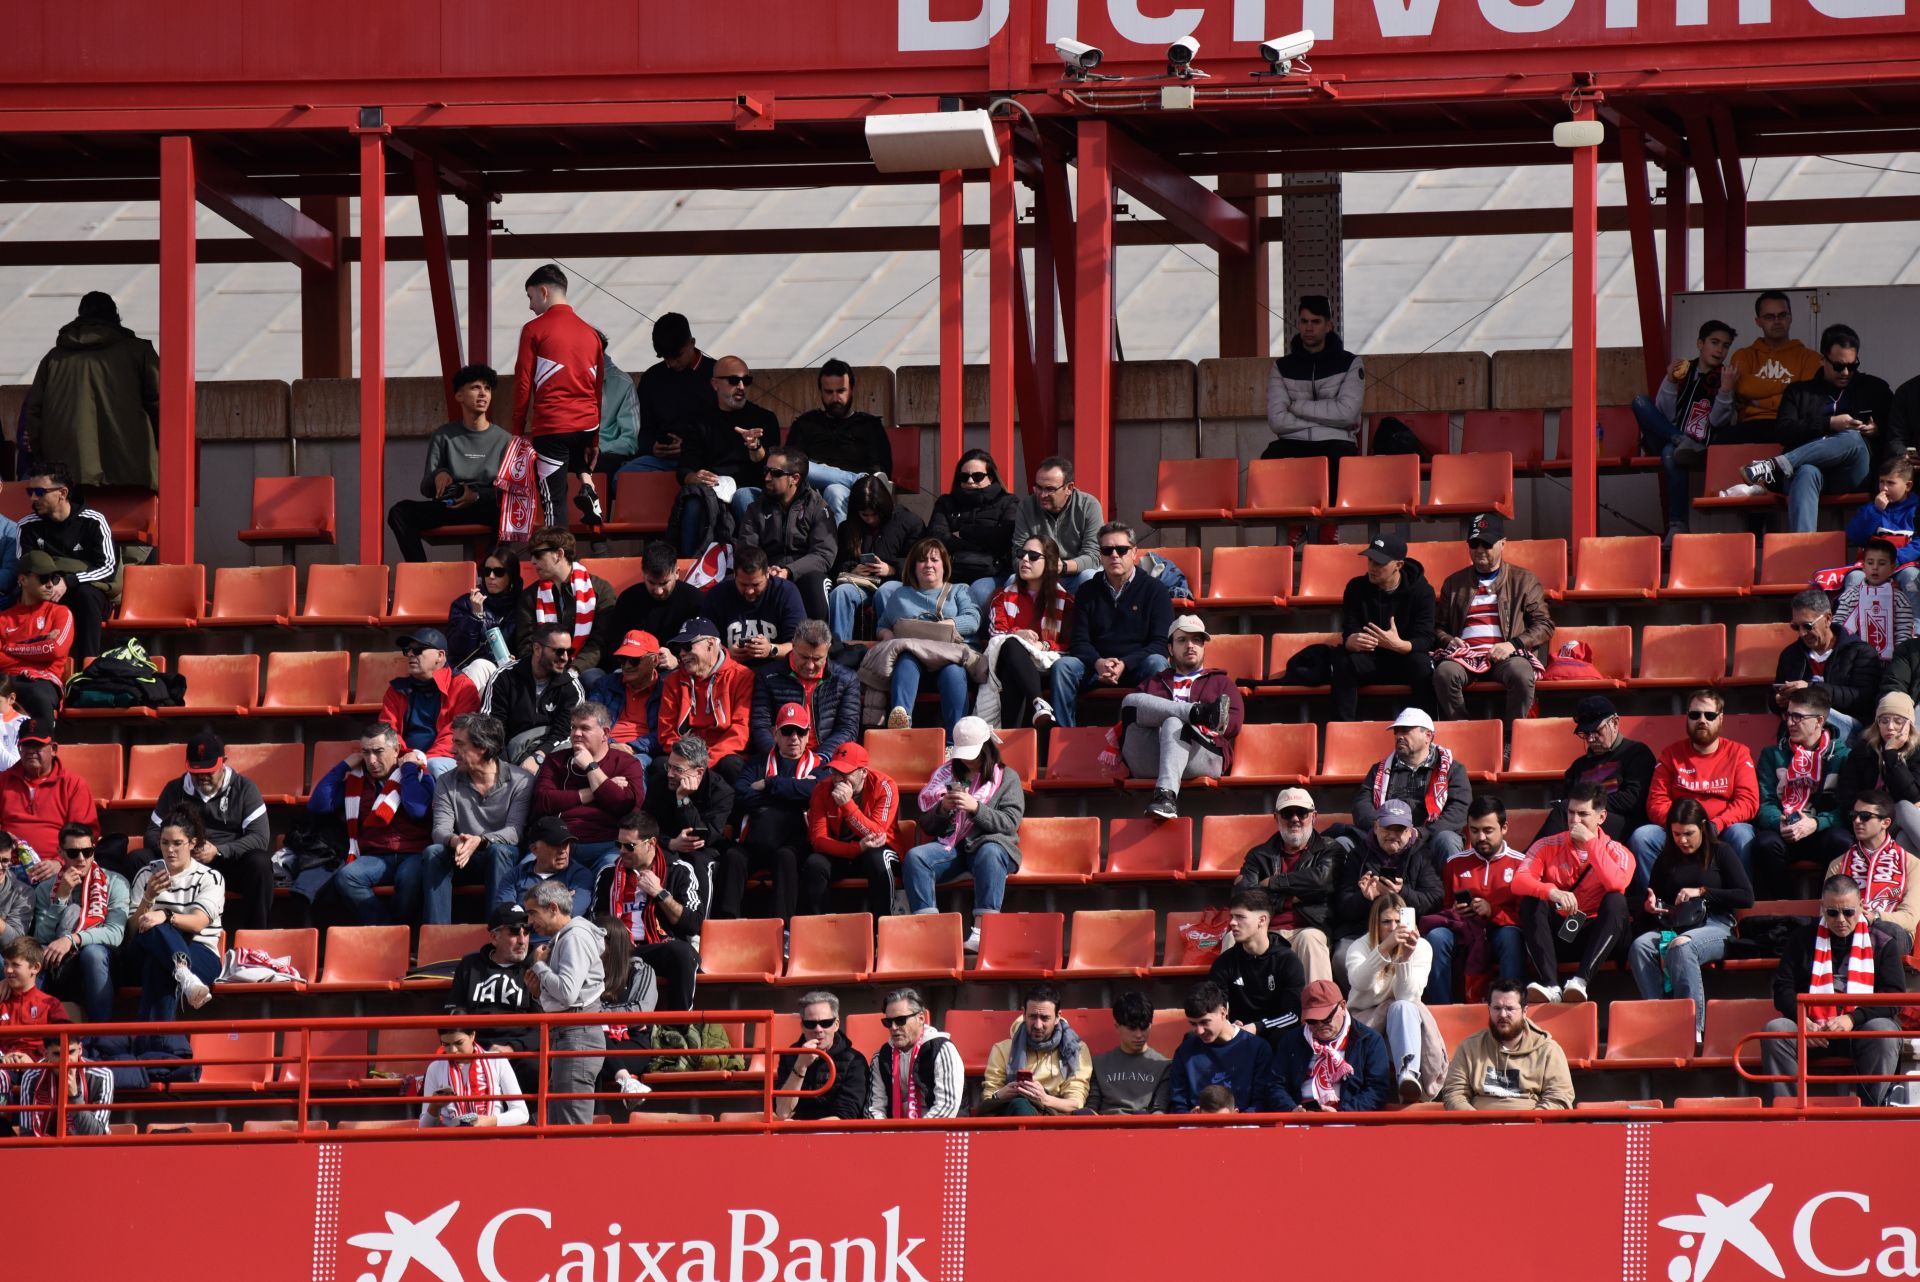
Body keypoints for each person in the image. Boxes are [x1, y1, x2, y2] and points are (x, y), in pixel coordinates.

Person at [1761, 873, 1906, 1106]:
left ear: (1860, 907)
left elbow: (1895, 998)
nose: (1841, 919)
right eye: (1832, 912)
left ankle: (1873, 1113)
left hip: (1859, 1030)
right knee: (1776, 1029)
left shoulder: (1883, 942)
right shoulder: (1801, 939)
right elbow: (1782, 989)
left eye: (1848, 912)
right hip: (1812, 1030)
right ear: (1822, 908)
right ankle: (1788, 1111)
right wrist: (1802, 1020)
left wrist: (1852, 1018)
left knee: (1883, 1031)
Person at [1627, 798, 1756, 1044]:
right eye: (1676, 834)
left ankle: (1691, 1028)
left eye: (1688, 833)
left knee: (1683, 945)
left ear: (1703, 827)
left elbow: (1746, 896)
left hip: (1716, 925)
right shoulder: (1666, 859)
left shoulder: (1721, 852)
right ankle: (1660, 1017)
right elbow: (1657, 899)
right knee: (1640, 946)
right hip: (1677, 924)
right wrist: (1650, 907)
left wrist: (1703, 891)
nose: (1682, 840)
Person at [1745, 324, 1896, 532]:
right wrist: (1829, 424)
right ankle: (1803, 550)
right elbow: (1783, 431)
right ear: (1822, 360)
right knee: (1806, 471)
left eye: (1852, 366)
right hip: (1805, 473)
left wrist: (1877, 429)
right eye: (1838, 366)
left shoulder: (1874, 388)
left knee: (1851, 436)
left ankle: (1776, 465)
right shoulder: (1799, 392)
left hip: (1853, 472)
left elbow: (1898, 429)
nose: (1845, 373)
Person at [904, 717, 1023, 951]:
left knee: (990, 852)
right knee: (916, 858)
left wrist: (976, 808)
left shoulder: (1008, 778)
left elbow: (1010, 823)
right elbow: (927, 826)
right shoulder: (947, 775)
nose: (968, 760)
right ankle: (929, 932)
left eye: (974, 754)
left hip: (991, 846)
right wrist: (942, 809)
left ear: (987, 749)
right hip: (953, 848)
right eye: (964, 754)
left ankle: (982, 930)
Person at [21, 290, 159, 491]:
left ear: (80, 316)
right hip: (131, 470)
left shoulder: (54, 358)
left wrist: (44, 458)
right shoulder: (139, 352)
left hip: (68, 474)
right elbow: (162, 404)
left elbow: (34, 414)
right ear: (116, 317)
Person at [142, 729, 272, 934]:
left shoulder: (245, 788)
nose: (202, 777)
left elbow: (260, 838)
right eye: (195, 772)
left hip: (226, 863)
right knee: (139, 858)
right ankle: (138, 933)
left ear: (224, 762)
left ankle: (256, 937)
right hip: (181, 865)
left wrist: (220, 850)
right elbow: (151, 833)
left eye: (208, 771)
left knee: (260, 862)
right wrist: (178, 849)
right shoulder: (174, 789)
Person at [307, 723, 437, 927]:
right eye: (365, 753)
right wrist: (344, 766)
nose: (371, 761)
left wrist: (409, 770)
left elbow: (417, 810)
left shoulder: (418, 774)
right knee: (347, 877)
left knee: (410, 880)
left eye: (378, 752)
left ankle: (402, 933)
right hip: (375, 855)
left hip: (413, 853)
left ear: (396, 751)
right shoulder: (357, 780)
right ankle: (389, 930)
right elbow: (319, 805)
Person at [1514, 784, 1632, 1004]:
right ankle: (1551, 985)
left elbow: (1616, 883)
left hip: (1598, 935)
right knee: (1532, 900)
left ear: (1601, 817)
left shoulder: (1618, 851)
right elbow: (1519, 881)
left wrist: (1591, 844)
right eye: (1571, 813)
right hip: (1561, 931)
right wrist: (1551, 891)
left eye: (1583, 814)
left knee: (1616, 901)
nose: (1575, 820)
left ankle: (1580, 981)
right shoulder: (1547, 845)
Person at [1118, 614, 1243, 821]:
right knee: (1130, 701)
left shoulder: (1221, 683)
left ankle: (1166, 798)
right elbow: (1131, 714)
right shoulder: (1153, 683)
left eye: (1196, 640)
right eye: (1182, 640)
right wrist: (1196, 714)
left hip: (1203, 756)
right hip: (1152, 757)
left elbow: (1234, 725)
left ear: (1204, 647)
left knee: (1173, 722)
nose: (1190, 645)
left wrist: (1181, 720)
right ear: (1170, 648)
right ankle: (1197, 712)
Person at [121, 806, 224, 1055]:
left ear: (193, 843)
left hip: (200, 952)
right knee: (151, 928)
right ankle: (181, 972)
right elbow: (133, 929)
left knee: (159, 966)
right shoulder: (147, 873)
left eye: (178, 843)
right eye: (165, 842)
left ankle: (146, 1049)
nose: (170, 849)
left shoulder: (209, 877)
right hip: (147, 949)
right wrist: (148, 897)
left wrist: (165, 915)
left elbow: (198, 922)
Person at [1632, 689, 1760, 889]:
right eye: (1695, 715)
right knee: (1643, 837)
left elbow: (1748, 802)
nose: (1702, 720)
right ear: (1687, 718)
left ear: (1721, 718)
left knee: (1742, 834)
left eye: (1709, 715)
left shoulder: (1739, 753)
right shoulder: (1671, 754)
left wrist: (1717, 824)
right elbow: (1656, 802)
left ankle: (1738, 905)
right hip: (1679, 829)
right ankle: (1656, 905)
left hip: (1721, 830)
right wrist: (1682, 827)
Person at [1431, 513, 1553, 721]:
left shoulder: (1524, 580)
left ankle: (1510, 738)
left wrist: (1512, 645)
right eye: (1474, 544)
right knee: (1444, 673)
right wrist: (1449, 640)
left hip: (1507, 655)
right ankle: (1464, 731)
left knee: (1521, 673)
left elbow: (1544, 625)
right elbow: (1438, 627)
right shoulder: (1453, 582)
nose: (1479, 550)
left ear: (1503, 544)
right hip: (1465, 656)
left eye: (1486, 544)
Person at [716, 701, 828, 922]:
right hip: (756, 840)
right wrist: (793, 795)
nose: (793, 737)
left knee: (786, 857)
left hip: (794, 842)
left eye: (800, 731)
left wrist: (769, 784)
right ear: (775, 734)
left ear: (808, 735)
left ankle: (783, 929)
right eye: (787, 731)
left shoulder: (820, 766)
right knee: (732, 857)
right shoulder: (757, 762)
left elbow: (815, 792)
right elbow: (741, 794)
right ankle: (726, 925)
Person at [1053, 523, 1173, 729]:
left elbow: (1161, 643)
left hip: (1137, 666)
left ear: (1134, 552)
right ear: (1100, 555)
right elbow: (1079, 641)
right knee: (1063, 667)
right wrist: (1099, 662)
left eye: (1122, 550)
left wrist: (1125, 663)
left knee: (1157, 663)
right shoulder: (1087, 591)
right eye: (1107, 550)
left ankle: (1155, 735)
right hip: (1095, 667)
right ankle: (1065, 735)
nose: (1114, 555)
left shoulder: (1155, 591)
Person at [511, 264, 604, 529]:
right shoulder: (592, 334)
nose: (530, 306)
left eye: (530, 297)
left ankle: (559, 558)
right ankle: (587, 484)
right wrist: (594, 440)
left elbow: (523, 384)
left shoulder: (534, 329)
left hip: (552, 425)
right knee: (573, 448)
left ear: (543, 291)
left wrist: (517, 431)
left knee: (554, 503)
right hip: (586, 424)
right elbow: (598, 389)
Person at [387, 364, 509, 561]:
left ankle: (491, 571)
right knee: (399, 512)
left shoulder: (505, 439)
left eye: (487, 388)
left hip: (486, 505)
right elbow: (426, 488)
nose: (483, 394)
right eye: (476, 387)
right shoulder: (443, 435)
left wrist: (477, 496)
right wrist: (438, 475)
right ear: (459, 396)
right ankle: (421, 573)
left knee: (509, 512)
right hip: (451, 506)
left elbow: (510, 490)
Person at [1632, 319, 1737, 542]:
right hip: (1667, 435)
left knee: (1671, 454)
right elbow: (1663, 413)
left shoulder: (1724, 378)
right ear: (1700, 343)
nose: (1719, 350)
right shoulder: (1683, 370)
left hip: (1699, 447)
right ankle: (1678, 439)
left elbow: (1718, 421)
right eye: (1714, 342)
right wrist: (1670, 381)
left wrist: (1726, 391)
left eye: (1725, 345)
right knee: (1640, 401)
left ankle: (1677, 526)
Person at [595, 810, 709, 1011]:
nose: (621, 851)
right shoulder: (608, 875)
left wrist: (660, 894)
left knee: (682, 953)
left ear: (651, 844)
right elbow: (597, 921)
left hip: (658, 946)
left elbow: (693, 923)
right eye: (618, 845)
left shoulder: (679, 871)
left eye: (629, 846)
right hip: (618, 950)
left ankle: (678, 1027)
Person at [425, 713, 533, 921]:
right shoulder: (447, 781)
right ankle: (436, 936)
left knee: (499, 851)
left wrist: (481, 840)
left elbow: (514, 832)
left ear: (482, 747)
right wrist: (456, 841)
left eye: (459, 744)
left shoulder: (521, 780)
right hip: (462, 856)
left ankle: (500, 928)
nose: (452, 750)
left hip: (501, 858)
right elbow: (440, 830)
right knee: (434, 852)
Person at [1750, 685, 1852, 899]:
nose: (1789, 722)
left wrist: (1816, 823)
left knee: (1842, 840)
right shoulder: (1773, 754)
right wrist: (1779, 822)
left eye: (1798, 717)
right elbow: (1764, 802)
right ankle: (1785, 908)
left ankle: (1825, 906)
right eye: (1788, 715)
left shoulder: (1843, 756)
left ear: (1819, 721)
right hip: (1785, 830)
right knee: (1764, 843)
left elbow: (1846, 808)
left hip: (1821, 831)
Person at [1424, 796, 1526, 1005]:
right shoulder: (1455, 863)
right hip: (1464, 930)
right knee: (1437, 936)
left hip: (1501, 930)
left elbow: (1525, 918)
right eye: (1474, 830)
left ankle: (1511, 1006)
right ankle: (1439, 1011)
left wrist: (1492, 912)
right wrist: (1456, 911)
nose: (1480, 837)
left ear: (1504, 828)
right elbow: (1445, 908)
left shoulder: (1521, 864)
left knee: (1511, 937)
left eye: (1488, 830)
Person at [1233, 788, 1342, 983]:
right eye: (1287, 813)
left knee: (1310, 939)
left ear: (1314, 816)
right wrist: (1292, 897)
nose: (1295, 819)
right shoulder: (1258, 855)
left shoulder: (1330, 848)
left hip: (1308, 928)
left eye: (1301, 813)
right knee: (1233, 936)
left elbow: (1322, 881)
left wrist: (1273, 882)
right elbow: (1245, 897)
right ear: (1276, 817)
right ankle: (1227, 1011)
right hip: (1265, 930)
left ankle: (1322, 1010)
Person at [875, 537, 980, 736]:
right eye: (922, 560)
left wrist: (949, 624)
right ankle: (901, 725)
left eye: (934, 560)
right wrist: (887, 635)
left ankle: (955, 739)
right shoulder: (900, 595)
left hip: (949, 657)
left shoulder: (959, 590)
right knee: (905, 660)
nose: (928, 565)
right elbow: (883, 624)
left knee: (954, 672)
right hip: (914, 663)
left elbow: (973, 619)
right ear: (914, 566)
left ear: (944, 565)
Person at [523, 878, 607, 1125]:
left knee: (571, 1126)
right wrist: (539, 993)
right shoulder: (567, 937)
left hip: (577, 1036)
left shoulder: (574, 937)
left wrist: (539, 966)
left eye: (532, 913)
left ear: (553, 908)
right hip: (571, 1035)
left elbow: (568, 992)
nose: (529, 922)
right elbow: (566, 995)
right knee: (562, 1122)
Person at [1262, 295, 1365, 494]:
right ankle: (1287, 521)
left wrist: (1297, 407)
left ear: (1329, 326)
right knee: (1270, 457)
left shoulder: (1350, 363)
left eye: (1316, 322)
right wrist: (1327, 419)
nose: (1309, 328)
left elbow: (1347, 414)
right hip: (1294, 442)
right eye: (1304, 321)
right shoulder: (1281, 367)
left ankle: (1329, 522)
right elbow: (1276, 420)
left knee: (1340, 459)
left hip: (1336, 443)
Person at [30, 822, 127, 1028]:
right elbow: (42, 936)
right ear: (61, 853)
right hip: (58, 959)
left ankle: (100, 1034)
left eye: (87, 851)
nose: (81, 859)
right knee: (32, 958)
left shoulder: (115, 882)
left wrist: (72, 939)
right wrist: (61, 898)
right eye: (73, 852)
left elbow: (115, 933)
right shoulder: (46, 888)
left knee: (93, 953)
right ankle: (31, 1034)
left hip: (102, 960)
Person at [16, 464, 117, 661]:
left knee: (87, 596)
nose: (33, 498)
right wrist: (50, 583)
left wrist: (69, 582)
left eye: (39, 492)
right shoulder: (27, 525)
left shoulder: (94, 521)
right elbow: (25, 568)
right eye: (30, 491)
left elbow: (108, 567)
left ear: (62, 493)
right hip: (44, 591)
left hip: (85, 593)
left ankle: (88, 668)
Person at [533, 702, 648, 872]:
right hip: (559, 843)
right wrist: (600, 789)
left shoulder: (627, 763)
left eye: (585, 728)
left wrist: (591, 766)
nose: (576, 734)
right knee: (527, 873)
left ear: (605, 733)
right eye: (573, 727)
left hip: (606, 845)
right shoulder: (556, 760)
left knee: (612, 872)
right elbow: (542, 802)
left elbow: (625, 805)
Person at [1332, 535, 1436, 722]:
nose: (1372, 567)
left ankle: (1424, 730)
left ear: (1399, 565)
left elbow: (1426, 638)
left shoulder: (1422, 591)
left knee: (1422, 665)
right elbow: (1349, 628)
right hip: (1370, 657)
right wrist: (1351, 641)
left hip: (1404, 657)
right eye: (1370, 559)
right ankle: (1342, 729)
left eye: (1380, 562)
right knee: (1343, 663)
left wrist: (1400, 645)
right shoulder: (1356, 588)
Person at [1346, 893, 1437, 1103]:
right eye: (1386, 922)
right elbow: (1360, 982)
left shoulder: (1421, 947)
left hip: (1403, 1022)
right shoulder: (1359, 946)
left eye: (1398, 921)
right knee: (1397, 1008)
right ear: (1375, 924)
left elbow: (1407, 995)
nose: (1394, 927)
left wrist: (1405, 957)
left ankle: (1408, 1076)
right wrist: (1383, 948)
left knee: (1402, 1006)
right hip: (1366, 1020)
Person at [0, 720, 121, 879]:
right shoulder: (3, 781)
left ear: (54, 749)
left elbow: (84, 833)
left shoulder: (73, 784)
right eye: (26, 745)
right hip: (7, 869)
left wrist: (60, 862)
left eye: (38, 746)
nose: (31, 751)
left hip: (59, 871)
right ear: (18, 749)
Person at [1352, 706, 1471, 863]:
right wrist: (1385, 830)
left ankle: (1451, 888)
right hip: (1387, 836)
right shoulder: (1379, 770)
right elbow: (1361, 806)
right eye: (1397, 732)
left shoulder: (1452, 770)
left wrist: (1420, 833)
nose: (1399, 736)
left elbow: (1459, 811)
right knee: (1343, 841)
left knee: (1447, 840)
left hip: (1431, 837)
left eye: (1406, 731)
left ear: (1428, 736)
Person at [782, 359, 893, 525]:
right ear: (820, 391)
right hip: (810, 491)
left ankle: (840, 548)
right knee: (802, 465)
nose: (835, 398)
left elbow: (880, 470)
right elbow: (790, 467)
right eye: (829, 392)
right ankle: (856, 478)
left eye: (841, 391)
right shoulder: (805, 424)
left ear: (852, 389)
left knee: (835, 491)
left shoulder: (869, 426)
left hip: (854, 494)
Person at [980, 535, 1073, 731]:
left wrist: (1045, 645)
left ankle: (1010, 744)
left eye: (1033, 556)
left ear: (1049, 562)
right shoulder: (1003, 596)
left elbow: (1071, 642)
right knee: (1011, 646)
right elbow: (996, 633)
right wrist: (1018, 635)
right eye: (1022, 554)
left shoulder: (1066, 601)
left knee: (1012, 662)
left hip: (1047, 664)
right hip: (1011, 662)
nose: (1024, 560)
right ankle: (1038, 702)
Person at [1438, 977, 1575, 1110]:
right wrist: (1477, 1123)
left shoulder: (1548, 1050)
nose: (1503, 1015)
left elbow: (1559, 1097)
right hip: (1479, 1127)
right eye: (1497, 1008)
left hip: (1530, 1126)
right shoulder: (1469, 1047)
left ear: (1524, 1011)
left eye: (1510, 1009)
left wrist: (1532, 1122)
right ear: (1489, 1010)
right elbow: (1454, 1094)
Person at [806, 742, 903, 922]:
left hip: (881, 849)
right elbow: (818, 839)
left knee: (877, 859)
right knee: (815, 863)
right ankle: (822, 930)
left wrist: (847, 805)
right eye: (835, 772)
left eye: (845, 773)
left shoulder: (884, 785)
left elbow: (877, 833)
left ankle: (883, 929)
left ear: (863, 772)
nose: (838, 779)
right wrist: (856, 848)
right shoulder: (822, 789)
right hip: (846, 851)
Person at [737, 445, 836, 622]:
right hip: (766, 573)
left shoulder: (818, 507)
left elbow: (823, 554)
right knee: (735, 582)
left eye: (775, 473)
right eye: (766, 471)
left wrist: (789, 571)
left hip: (802, 574)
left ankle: (817, 643)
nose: (767, 477)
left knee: (815, 583)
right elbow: (747, 549)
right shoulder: (756, 508)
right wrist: (765, 570)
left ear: (794, 478)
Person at [1536, 695, 1656, 841]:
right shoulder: (1578, 766)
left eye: (1597, 731)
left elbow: (1632, 800)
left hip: (1626, 825)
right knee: (1565, 812)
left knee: (1564, 812)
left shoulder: (1637, 753)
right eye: (1586, 734)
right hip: (1585, 822)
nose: (1591, 739)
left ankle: (1529, 858)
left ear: (1615, 723)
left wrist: (1588, 806)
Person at [1267, 978, 1393, 1113]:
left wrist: (1343, 1114)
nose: (1320, 1025)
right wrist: (1292, 1109)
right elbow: (1275, 1085)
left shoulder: (1369, 1041)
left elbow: (1377, 1090)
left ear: (1343, 1007)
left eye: (1326, 1019)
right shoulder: (1291, 1040)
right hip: (1299, 1123)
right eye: (1312, 1020)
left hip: (1349, 1125)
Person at [655, 618, 754, 789]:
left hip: (722, 755)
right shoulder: (673, 681)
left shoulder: (742, 676)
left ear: (710, 644)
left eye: (687, 646)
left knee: (732, 765)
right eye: (679, 649)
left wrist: (705, 761)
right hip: (684, 758)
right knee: (659, 766)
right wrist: (687, 761)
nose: (682, 654)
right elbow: (666, 732)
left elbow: (740, 730)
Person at [1332, 800, 1443, 949]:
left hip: (1408, 931)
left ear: (1410, 831)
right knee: (1341, 957)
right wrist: (1364, 898)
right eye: (1387, 828)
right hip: (1362, 932)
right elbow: (1341, 907)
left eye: (1399, 829)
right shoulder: (1358, 854)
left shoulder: (1422, 855)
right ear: (1376, 827)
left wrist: (1401, 892)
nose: (1392, 835)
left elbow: (1434, 901)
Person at [827, 475, 924, 644]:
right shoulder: (848, 527)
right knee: (840, 593)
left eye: (875, 515)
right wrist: (852, 569)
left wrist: (892, 569)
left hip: (896, 583)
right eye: (865, 515)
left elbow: (920, 561)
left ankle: (890, 649)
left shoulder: (909, 522)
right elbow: (835, 564)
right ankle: (839, 653)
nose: (871, 520)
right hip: (862, 584)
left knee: (886, 591)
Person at [1824, 789, 1920, 959]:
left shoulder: (1912, 864)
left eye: (1865, 816)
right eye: (1854, 815)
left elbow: (1910, 918)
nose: (1857, 821)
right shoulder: (1838, 863)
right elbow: (1825, 910)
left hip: (1892, 933)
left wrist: (1874, 917)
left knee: (1883, 932)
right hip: (1847, 929)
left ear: (1885, 822)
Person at [1774, 586, 1881, 739]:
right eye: (1796, 627)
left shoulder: (1860, 652)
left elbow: (1863, 698)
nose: (1802, 633)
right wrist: (1778, 700)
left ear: (1828, 619)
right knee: (1800, 716)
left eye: (1808, 626)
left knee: (1808, 715)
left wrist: (1811, 690)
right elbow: (1774, 696)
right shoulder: (1791, 654)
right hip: (1800, 724)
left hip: (1850, 727)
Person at [1208, 888, 1307, 1049]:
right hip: (1236, 1035)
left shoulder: (1287, 960)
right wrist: (1228, 1025)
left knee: (1287, 1038)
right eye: (1232, 917)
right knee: (1194, 1039)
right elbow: (1215, 1006)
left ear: (1262, 920)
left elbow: (1293, 1016)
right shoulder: (1224, 962)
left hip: (1274, 1036)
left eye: (1240, 917)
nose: (1232, 922)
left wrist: (1257, 1027)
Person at [748, 619, 860, 761]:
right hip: (779, 758)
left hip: (826, 760)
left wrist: (821, 758)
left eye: (817, 659)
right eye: (804, 657)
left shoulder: (847, 679)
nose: (810, 666)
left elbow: (847, 729)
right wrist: (778, 756)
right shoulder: (767, 676)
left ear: (828, 649)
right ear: (793, 646)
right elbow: (760, 725)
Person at [925, 448, 1018, 618]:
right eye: (964, 476)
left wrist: (964, 532)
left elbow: (1003, 537)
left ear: (991, 477)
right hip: (953, 570)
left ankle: (975, 641)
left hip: (992, 572)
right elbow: (937, 537)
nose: (970, 481)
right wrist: (983, 540)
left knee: (978, 592)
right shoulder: (946, 502)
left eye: (977, 476)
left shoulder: (1008, 501)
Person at [481, 621, 586, 771]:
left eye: (569, 651)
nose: (565, 658)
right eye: (559, 651)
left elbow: (565, 732)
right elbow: (491, 728)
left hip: (551, 750)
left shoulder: (571, 686)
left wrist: (539, 755)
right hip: (514, 750)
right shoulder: (504, 677)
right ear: (537, 649)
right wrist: (503, 768)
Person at [514, 526, 615, 681]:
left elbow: (599, 643)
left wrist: (574, 670)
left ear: (559, 554)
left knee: (592, 679)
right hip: (543, 667)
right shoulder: (530, 596)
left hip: (584, 669)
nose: (533, 561)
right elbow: (527, 643)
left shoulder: (600, 590)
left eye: (538, 554)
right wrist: (542, 669)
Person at [622, 312, 714, 478]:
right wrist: (653, 446)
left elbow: (724, 429)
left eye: (677, 356)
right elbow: (641, 428)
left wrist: (689, 448)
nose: (671, 363)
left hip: (706, 460)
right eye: (666, 358)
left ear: (692, 343)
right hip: (660, 461)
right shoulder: (652, 378)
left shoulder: (716, 374)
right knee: (622, 477)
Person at [381, 627, 481, 778]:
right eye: (407, 650)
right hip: (404, 758)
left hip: (447, 759)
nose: (410, 654)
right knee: (372, 762)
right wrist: (406, 756)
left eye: (418, 650)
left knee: (434, 766)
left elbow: (457, 733)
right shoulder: (396, 690)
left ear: (440, 656)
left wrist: (422, 760)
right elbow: (388, 730)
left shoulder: (462, 686)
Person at [979, 983, 1093, 1116]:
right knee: (1020, 1105)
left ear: (1057, 1017)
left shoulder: (1075, 1049)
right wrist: (1001, 1094)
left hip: (1056, 1116)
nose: (1038, 1025)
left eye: (1045, 1018)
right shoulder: (1002, 1049)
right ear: (1024, 1014)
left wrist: (1044, 1099)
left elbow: (1076, 1102)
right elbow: (988, 1098)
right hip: (1016, 1111)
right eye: (1033, 1017)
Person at [1166, 980, 1280, 1113]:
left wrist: (1238, 1123)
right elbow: (1178, 1103)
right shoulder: (1185, 1051)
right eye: (1193, 1024)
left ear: (1223, 1011)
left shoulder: (1258, 1049)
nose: (1199, 1031)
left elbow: (1261, 1102)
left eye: (1204, 1022)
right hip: (1196, 1129)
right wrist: (1190, 1119)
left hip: (1245, 1129)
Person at [449, 902, 537, 1057]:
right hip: (474, 1049)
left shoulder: (536, 966)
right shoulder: (469, 965)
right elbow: (452, 1013)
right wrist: (468, 1047)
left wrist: (513, 1048)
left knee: (535, 1069)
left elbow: (543, 1026)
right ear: (494, 937)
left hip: (519, 1051)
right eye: (514, 932)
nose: (522, 940)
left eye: (527, 931)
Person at [705, 545, 806, 676]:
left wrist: (771, 649)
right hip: (730, 673)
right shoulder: (718, 594)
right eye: (743, 584)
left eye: (756, 584)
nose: (750, 591)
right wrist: (725, 653)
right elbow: (704, 643)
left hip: (775, 674)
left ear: (767, 574)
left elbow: (800, 647)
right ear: (734, 575)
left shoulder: (786, 592)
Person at [865, 988, 964, 1119]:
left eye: (900, 1020)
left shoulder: (942, 1049)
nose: (894, 1027)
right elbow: (874, 1109)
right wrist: (888, 1135)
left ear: (921, 1018)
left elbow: (946, 1107)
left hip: (937, 1134)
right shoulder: (881, 1057)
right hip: (893, 1134)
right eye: (888, 1022)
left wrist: (915, 1136)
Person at [1726, 290, 1820, 429]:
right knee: (1720, 442)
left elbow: (1804, 400)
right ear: (1758, 321)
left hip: (1793, 426)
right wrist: (1790, 387)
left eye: (1782, 315)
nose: (1777, 321)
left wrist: (1757, 401)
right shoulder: (1743, 355)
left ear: (1790, 317)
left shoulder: (1811, 358)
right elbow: (1743, 387)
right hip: (1750, 425)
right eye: (1769, 317)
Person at [0, 551, 73, 728]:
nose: (50, 585)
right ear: (23, 580)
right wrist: (39, 644)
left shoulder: (60, 613)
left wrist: (9, 647)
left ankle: (44, 750)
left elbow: (55, 649)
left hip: (42, 681)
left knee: (38, 695)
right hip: (5, 680)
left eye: (54, 579)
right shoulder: (3, 618)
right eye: (43, 578)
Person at [773, 989, 870, 1121]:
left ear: (836, 1024)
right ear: (802, 1026)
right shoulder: (789, 1056)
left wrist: (807, 1132)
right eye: (810, 1024)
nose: (818, 1030)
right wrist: (800, 1066)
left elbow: (846, 1116)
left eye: (825, 1023)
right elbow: (782, 1112)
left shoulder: (855, 1061)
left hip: (835, 1136)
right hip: (795, 1133)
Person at [1840, 693, 1920, 852]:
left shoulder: (1917, 752)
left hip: (1900, 823)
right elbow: (1846, 795)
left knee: (1904, 835)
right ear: (1877, 724)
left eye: (1898, 721)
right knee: (1904, 807)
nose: (1890, 727)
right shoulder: (1863, 751)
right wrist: (1869, 814)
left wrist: (1891, 755)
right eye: (1884, 721)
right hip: (1868, 820)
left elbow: (1913, 796)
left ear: (1909, 725)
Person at [1011, 456, 1103, 593]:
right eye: (1038, 488)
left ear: (1069, 488)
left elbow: (1094, 556)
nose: (1042, 495)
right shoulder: (1026, 507)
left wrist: (1063, 566)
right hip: (1039, 576)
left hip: (1076, 574)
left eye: (1050, 489)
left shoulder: (1089, 506)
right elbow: (1017, 554)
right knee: (1012, 581)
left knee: (1090, 577)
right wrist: (1039, 568)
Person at [1840, 459, 1920, 612]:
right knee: (1854, 578)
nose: (1884, 488)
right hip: (1871, 566)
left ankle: (1916, 632)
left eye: (1890, 483)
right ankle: (1850, 631)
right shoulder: (1871, 508)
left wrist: (1893, 559)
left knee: (1912, 577)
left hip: (1902, 565)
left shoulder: (1917, 510)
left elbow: (1918, 543)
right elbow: (1856, 537)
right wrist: (1876, 510)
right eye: (1881, 482)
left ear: (1908, 486)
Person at [419, 1020, 529, 1128]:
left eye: (459, 1043)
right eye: (446, 1044)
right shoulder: (435, 1068)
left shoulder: (497, 1060)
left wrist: (490, 1121)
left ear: (472, 1035)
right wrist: (434, 1107)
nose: (453, 1050)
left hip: (492, 1139)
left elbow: (522, 1113)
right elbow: (424, 1126)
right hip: (453, 1140)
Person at [604, 542, 704, 662]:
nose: (658, 591)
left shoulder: (694, 600)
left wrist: (677, 661)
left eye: (664, 583)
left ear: (677, 573)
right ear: (643, 574)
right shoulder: (628, 599)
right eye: (651, 583)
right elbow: (615, 645)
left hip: (679, 674)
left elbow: (702, 648)